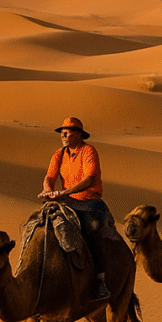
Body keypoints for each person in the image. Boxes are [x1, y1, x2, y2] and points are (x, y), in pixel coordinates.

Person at [40, 117, 112, 300]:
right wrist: (48, 192)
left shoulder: (88, 151)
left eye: (68, 132)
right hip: (66, 200)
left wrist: (65, 192)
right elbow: (49, 177)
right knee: (40, 225)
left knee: (93, 229)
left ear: (78, 135)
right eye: (62, 132)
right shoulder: (59, 154)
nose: (63, 135)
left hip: (88, 201)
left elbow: (89, 179)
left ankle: (100, 279)